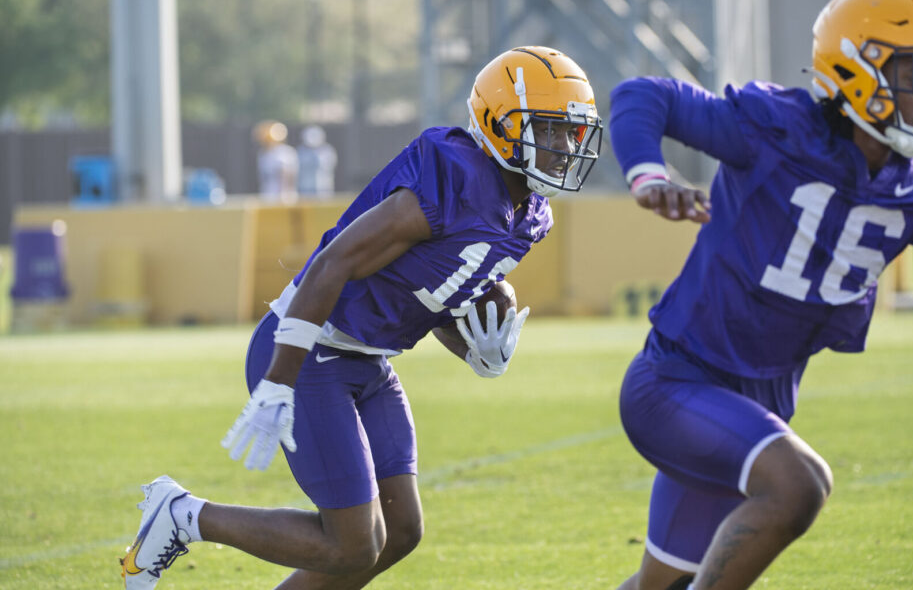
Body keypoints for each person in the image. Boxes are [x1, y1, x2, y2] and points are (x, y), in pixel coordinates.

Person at [120, 46, 602, 590]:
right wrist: (279, 380)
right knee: (353, 543)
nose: (564, 148)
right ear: (498, 123)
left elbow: (431, 299)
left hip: (368, 361)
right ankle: (184, 515)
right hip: (312, 349)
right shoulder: (455, 176)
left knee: (399, 532)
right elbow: (334, 262)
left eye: (570, 132)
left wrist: (477, 352)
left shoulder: (530, 218)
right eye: (549, 130)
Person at [607, 0, 913, 589]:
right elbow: (642, 96)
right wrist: (648, 173)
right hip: (675, 384)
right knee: (799, 486)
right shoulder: (776, 132)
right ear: (855, 67)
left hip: (755, 405)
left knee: (657, 586)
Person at [255, 119, 299, 203]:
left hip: (283, 197)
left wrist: (285, 195)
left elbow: (288, 175)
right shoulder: (263, 153)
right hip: (267, 195)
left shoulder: (284, 152)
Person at [297, 125, 338, 198]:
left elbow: (327, 166)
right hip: (305, 189)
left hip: (324, 188)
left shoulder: (328, 151)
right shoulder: (301, 152)